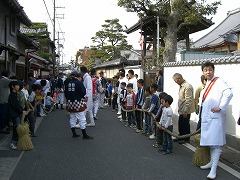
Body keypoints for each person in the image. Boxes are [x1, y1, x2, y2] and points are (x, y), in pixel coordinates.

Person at [199, 62, 233, 179]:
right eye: (206, 70)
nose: (208, 72)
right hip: (208, 118)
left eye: (210, 70)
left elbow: (228, 93)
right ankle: (211, 163)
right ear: (203, 72)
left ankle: (213, 170)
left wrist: (221, 107)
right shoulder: (208, 83)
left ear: (213, 70)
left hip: (215, 118)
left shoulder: (219, 81)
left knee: (216, 145)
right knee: (211, 143)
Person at [64, 72, 93, 139]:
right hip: (78, 102)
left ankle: (74, 133)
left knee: (72, 117)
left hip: (70, 102)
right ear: (79, 77)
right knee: (82, 118)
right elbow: (83, 92)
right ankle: (84, 135)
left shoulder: (67, 82)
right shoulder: (78, 83)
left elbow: (65, 93)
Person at [172, 73, 195, 144]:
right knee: (181, 124)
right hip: (181, 109)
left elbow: (188, 100)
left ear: (179, 79)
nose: (175, 82)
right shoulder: (182, 86)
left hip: (186, 110)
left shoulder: (187, 86)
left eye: (175, 81)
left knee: (185, 124)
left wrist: (185, 111)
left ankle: (185, 138)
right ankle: (181, 136)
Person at [8, 81, 27, 149]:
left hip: (16, 113)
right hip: (14, 114)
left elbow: (17, 105)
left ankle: (15, 142)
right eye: (17, 85)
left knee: (17, 128)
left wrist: (21, 110)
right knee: (16, 128)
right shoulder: (12, 95)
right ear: (13, 86)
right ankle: (13, 143)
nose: (18, 87)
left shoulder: (15, 94)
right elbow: (15, 105)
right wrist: (21, 111)